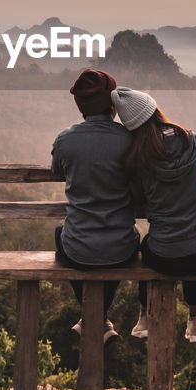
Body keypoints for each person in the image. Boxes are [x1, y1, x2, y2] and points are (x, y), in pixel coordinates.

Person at [111, 87, 196, 343]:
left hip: (165, 256)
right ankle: (194, 319)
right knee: (195, 238)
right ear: (155, 109)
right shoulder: (192, 140)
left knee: (148, 245)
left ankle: (144, 315)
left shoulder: (138, 158)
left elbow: (138, 198)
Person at [51, 68, 139, 341]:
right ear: (112, 104)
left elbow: (57, 171)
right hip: (121, 247)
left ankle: (92, 318)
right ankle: (99, 319)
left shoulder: (65, 140)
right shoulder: (129, 139)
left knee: (61, 236)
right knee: (125, 244)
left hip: (78, 248)